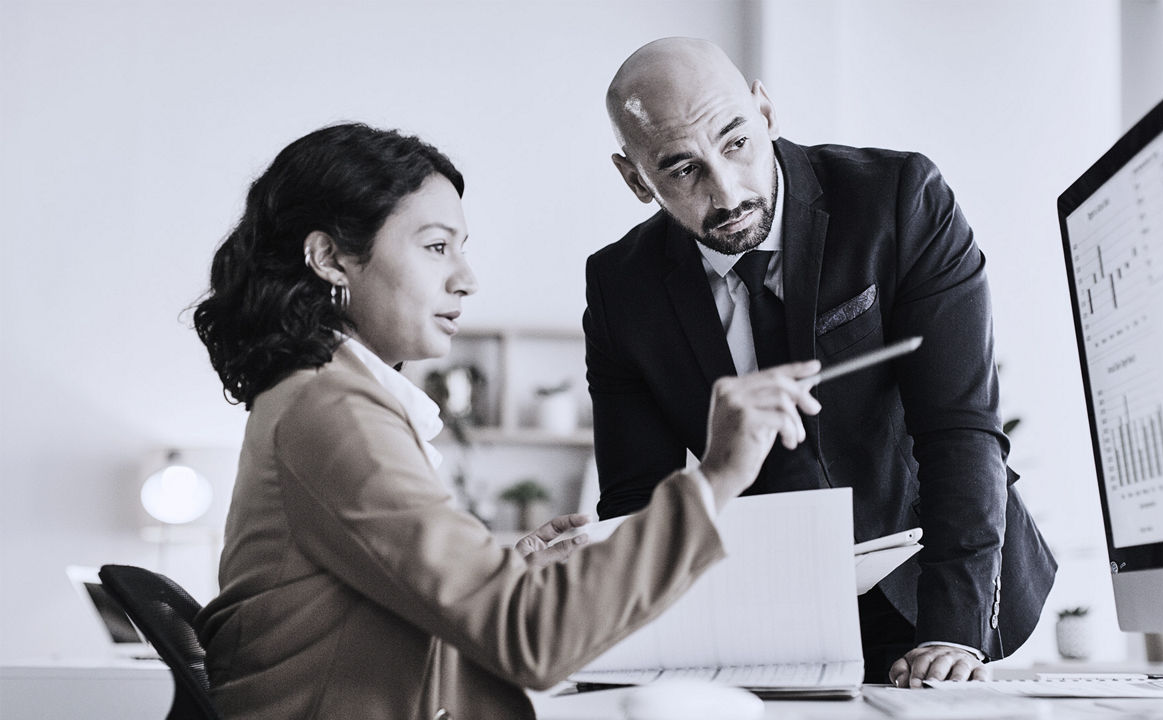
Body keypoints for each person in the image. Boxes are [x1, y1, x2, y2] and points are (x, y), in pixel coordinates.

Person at [192, 122, 821, 719]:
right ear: (329, 257)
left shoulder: (315, 396)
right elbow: (531, 638)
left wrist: (510, 575)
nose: (466, 280)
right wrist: (716, 477)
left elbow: (381, 615)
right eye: (436, 247)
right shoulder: (336, 411)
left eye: (460, 250)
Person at [583, 37, 1057, 687]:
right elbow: (636, 499)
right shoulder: (621, 288)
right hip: (769, 624)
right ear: (636, 179)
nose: (727, 192)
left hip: (940, 591)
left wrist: (953, 633)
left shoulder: (900, 199)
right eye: (683, 170)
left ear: (765, 111)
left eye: (736, 142)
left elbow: (960, 426)